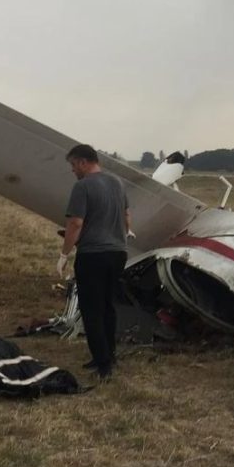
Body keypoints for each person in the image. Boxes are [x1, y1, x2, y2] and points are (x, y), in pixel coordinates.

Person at [58, 144, 132, 380]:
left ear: (82, 162)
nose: (72, 171)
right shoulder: (117, 183)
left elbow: (75, 223)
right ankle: (109, 356)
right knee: (108, 306)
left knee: (92, 309)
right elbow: (127, 217)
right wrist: (122, 234)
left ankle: (103, 366)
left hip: (93, 255)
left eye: (72, 165)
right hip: (118, 253)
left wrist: (64, 254)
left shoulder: (82, 186)